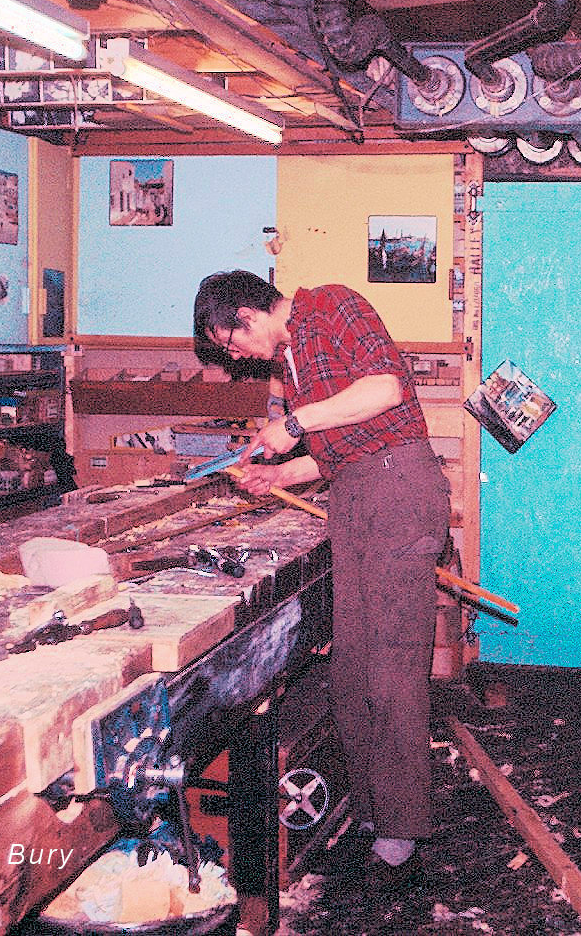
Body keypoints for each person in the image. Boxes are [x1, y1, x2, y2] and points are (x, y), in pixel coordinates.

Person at [194, 270, 450, 889]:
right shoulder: (292, 364)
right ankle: (373, 808)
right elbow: (338, 454)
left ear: (247, 316)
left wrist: (294, 424)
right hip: (357, 495)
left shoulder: (331, 307)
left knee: (391, 667)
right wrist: (280, 475)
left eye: (231, 343)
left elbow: (385, 389)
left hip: (399, 490)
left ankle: (402, 827)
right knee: (351, 668)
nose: (237, 357)